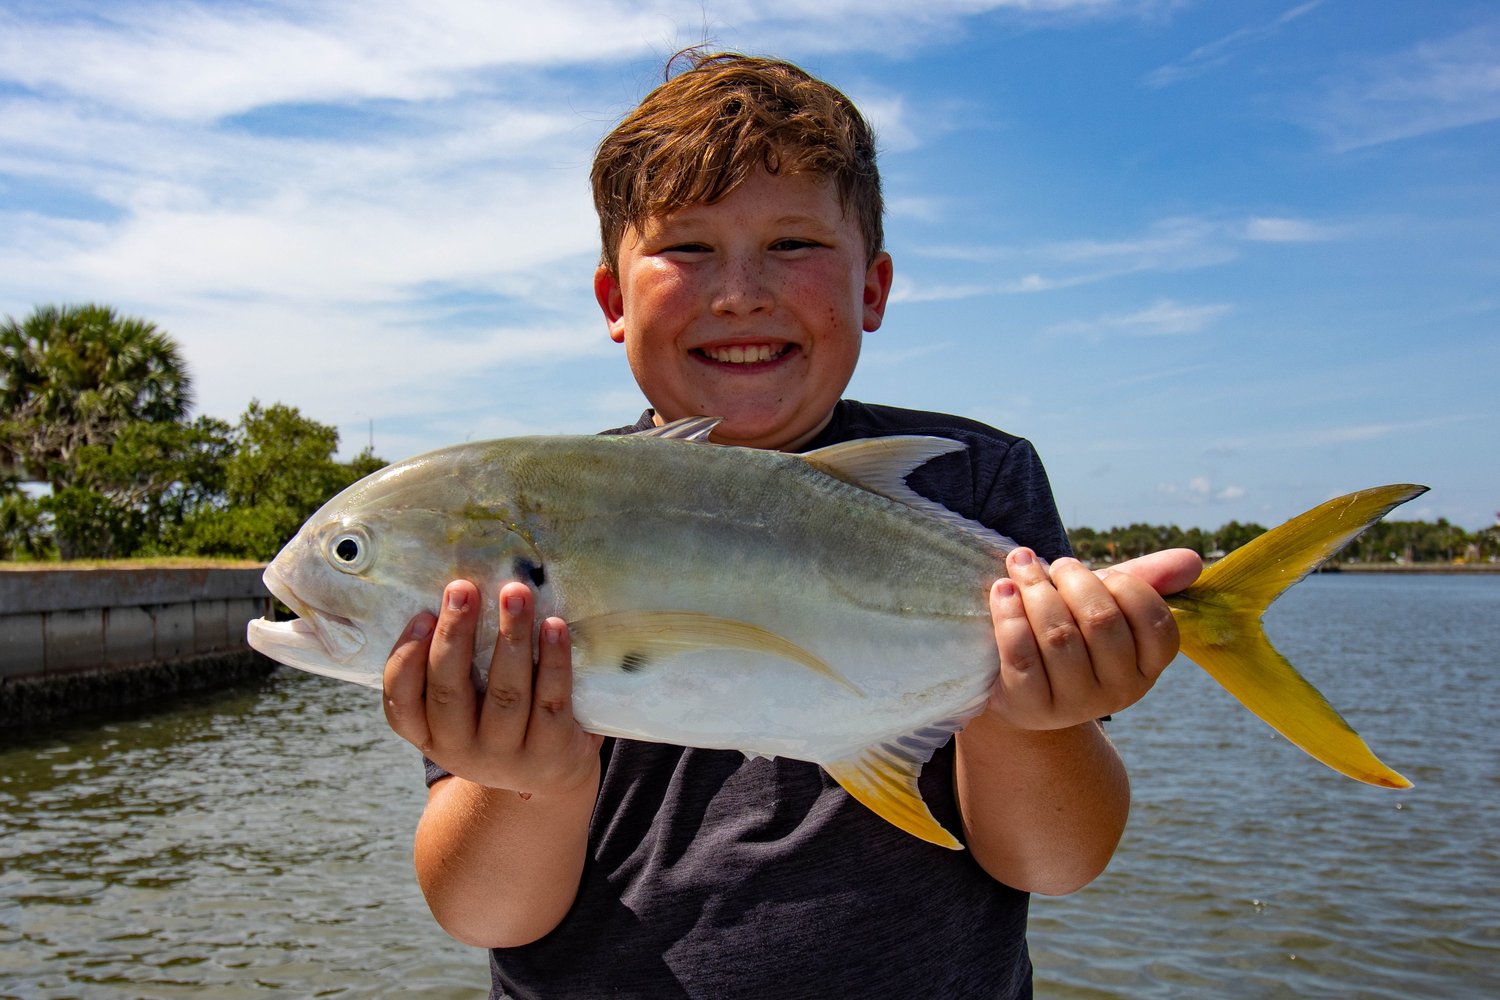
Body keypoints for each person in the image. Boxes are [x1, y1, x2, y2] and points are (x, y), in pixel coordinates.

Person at [382, 50, 1201, 999]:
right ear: (613, 298)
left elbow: (1055, 862)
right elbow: (484, 914)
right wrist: (532, 778)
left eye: (794, 245)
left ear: (874, 288)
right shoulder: (531, 513)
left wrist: (1033, 721)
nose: (740, 292)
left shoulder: (973, 482)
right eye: (687, 250)